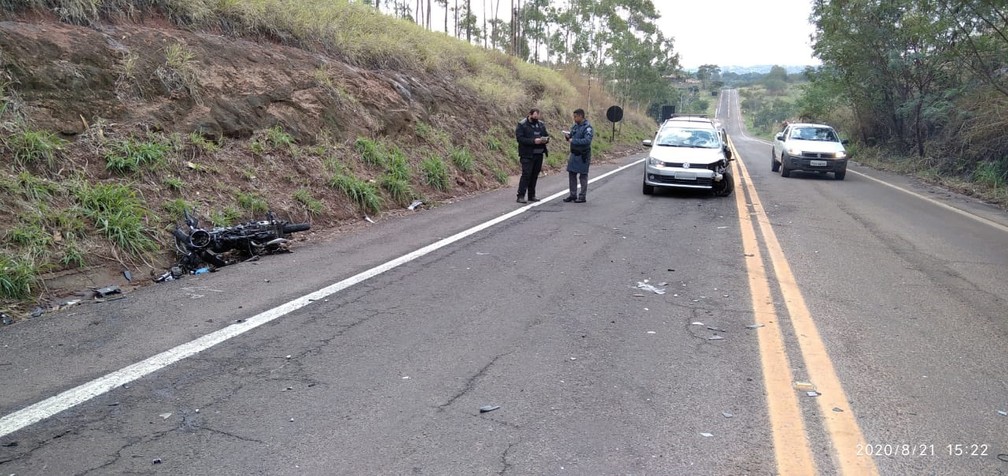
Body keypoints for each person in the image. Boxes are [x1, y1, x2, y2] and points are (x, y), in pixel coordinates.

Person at [514, 108, 550, 203]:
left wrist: (545, 139)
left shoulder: (541, 124)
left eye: (538, 116)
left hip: (539, 154)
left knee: (534, 175)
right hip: (527, 154)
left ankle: (531, 195)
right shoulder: (522, 125)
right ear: (529, 114)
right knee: (526, 175)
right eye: (534, 116)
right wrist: (533, 141)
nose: (536, 118)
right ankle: (520, 195)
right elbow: (520, 139)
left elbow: (547, 135)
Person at [563, 109, 594, 203]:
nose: (574, 118)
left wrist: (574, 141)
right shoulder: (575, 126)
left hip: (583, 154)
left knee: (583, 175)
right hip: (574, 153)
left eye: (576, 116)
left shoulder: (587, 127)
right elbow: (572, 135)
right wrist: (568, 136)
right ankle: (573, 194)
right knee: (571, 173)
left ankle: (582, 196)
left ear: (581, 116)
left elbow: (587, 140)